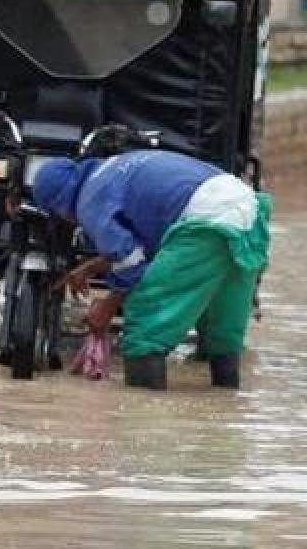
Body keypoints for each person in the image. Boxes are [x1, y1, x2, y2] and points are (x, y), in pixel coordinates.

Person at [31, 150, 272, 390]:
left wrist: (107, 307)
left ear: (60, 206)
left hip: (207, 222)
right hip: (249, 213)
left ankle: (142, 418)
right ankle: (226, 408)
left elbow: (132, 264)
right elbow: (155, 237)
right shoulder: (112, 168)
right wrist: (94, 266)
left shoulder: (88, 200)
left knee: (144, 321)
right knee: (219, 328)